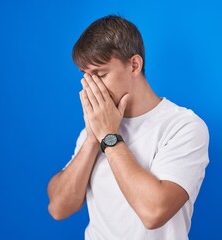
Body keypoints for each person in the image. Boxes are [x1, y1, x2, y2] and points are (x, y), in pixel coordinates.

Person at [47, 15, 209, 240]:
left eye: (101, 75)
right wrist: (93, 139)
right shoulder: (94, 130)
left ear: (134, 65)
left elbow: (153, 212)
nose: (92, 88)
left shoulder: (183, 127)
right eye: (86, 78)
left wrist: (109, 135)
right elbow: (58, 208)